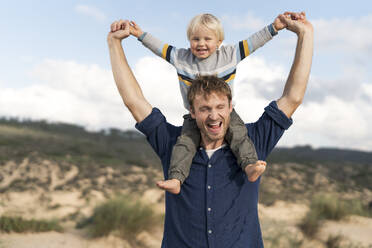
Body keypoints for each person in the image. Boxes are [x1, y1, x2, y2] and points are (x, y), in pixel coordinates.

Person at [107, 11, 313, 248]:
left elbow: (293, 97)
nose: (214, 116)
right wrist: (115, 43)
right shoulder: (173, 143)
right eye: (204, 109)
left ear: (230, 107)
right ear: (192, 112)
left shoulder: (253, 140)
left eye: (219, 107)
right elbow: (134, 101)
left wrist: (306, 35)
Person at [128, 13, 288, 194]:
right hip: (195, 115)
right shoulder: (181, 58)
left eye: (207, 39)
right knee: (185, 143)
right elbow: (160, 47)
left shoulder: (229, 55)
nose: (201, 43)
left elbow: (254, 42)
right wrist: (140, 35)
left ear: (219, 41)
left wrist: (274, 28)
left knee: (238, 134)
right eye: (195, 39)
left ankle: (250, 166)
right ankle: (176, 178)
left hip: (225, 115)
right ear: (189, 40)